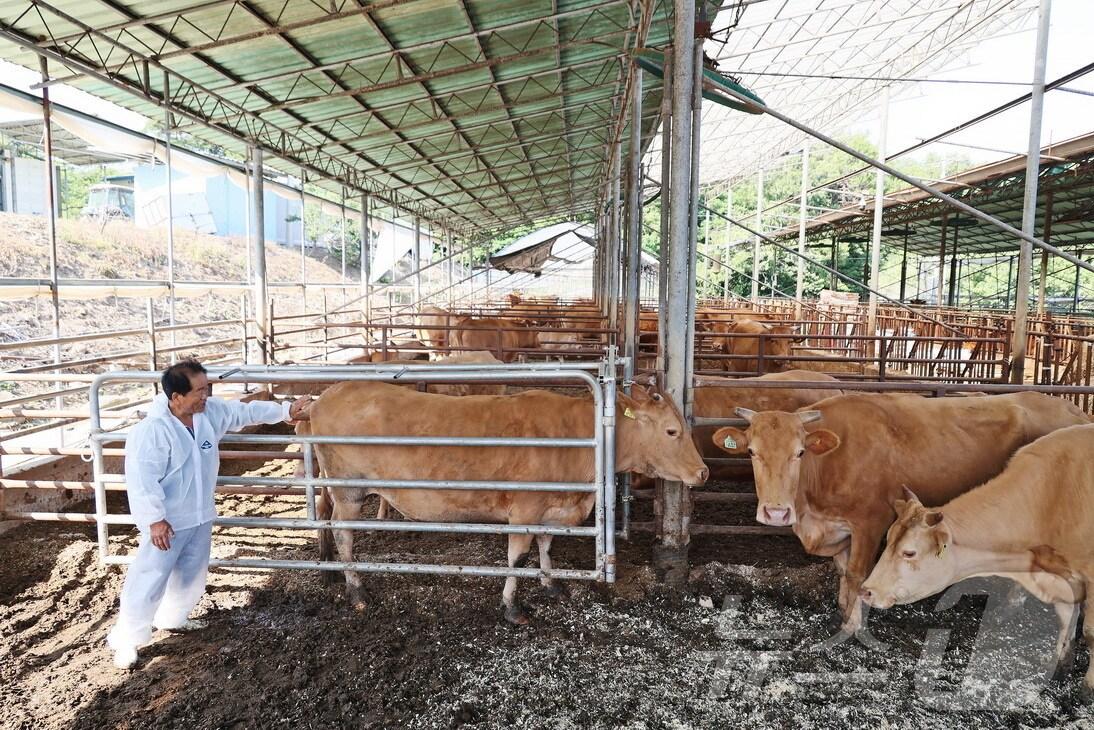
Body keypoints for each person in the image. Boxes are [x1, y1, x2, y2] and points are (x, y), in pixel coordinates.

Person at [107, 359, 312, 669]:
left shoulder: (207, 414)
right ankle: (127, 639)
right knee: (150, 576)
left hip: (201, 513)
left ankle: (173, 618)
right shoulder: (151, 431)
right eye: (199, 391)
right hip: (168, 521)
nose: (206, 396)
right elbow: (141, 479)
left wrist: (285, 411)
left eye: (207, 389)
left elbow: (245, 412)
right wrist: (154, 520)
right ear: (176, 398)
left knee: (192, 573)